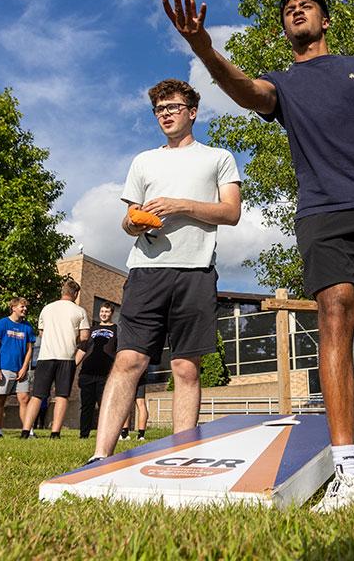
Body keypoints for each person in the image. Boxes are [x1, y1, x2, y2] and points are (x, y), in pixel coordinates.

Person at [164, 0, 354, 512]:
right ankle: (346, 468)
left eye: (305, 6)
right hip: (323, 212)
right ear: (285, 28)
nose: (296, 12)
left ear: (325, 19)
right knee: (333, 316)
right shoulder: (282, 84)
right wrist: (204, 48)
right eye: (287, 11)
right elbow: (243, 90)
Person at [89, 78, 241, 462]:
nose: (165, 115)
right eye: (159, 109)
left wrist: (180, 205)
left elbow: (231, 212)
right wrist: (134, 224)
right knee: (128, 360)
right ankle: (99, 456)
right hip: (146, 270)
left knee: (186, 368)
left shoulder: (218, 158)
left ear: (192, 112)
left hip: (196, 271)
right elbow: (127, 220)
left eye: (172, 107)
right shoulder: (144, 161)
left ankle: (182, 456)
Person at [20, 279, 90, 439]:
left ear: (62, 291)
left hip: (46, 356)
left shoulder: (47, 308)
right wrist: (73, 339)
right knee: (62, 395)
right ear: (76, 294)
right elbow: (85, 336)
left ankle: (25, 431)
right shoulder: (79, 311)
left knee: (37, 395)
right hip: (66, 357)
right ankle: (55, 433)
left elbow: (42, 332)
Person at [0, 297, 36, 438]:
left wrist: (24, 367)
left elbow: (29, 350)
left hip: (21, 370)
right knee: (0, 399)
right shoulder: (1, 324)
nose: (25, 309)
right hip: (4, 369)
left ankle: (28, 432)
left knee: (24, 399)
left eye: (26, 307)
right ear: (13, 307)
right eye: (22, 306)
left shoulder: (27, 327)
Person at [76, 303, 117, 439]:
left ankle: (104, 435)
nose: (103, 314)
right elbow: (82, 349)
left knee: (104, 406)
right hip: (87, 372)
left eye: (106, 311)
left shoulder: (116, 329)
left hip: (105, 374)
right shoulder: (92, 329)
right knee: (87, 406)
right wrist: (72, 367)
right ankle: (84, 435)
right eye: (102, 311)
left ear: (112, 313)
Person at [120, 365, 151, 441]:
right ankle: (141, 435)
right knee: (141, 403)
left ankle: (124, 434)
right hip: (141, 371)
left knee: (126, 403)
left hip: (129, 371)